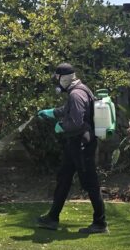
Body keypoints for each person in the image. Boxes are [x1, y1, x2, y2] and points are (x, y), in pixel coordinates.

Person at [35, 63, 107, 234]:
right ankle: (52, 218)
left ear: (64, 78)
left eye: (57, 78)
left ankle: (100, 223)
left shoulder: (76, 94)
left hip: (81, 144)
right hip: (75, 144)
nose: (57, 82)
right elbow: (70, 111)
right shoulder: (80, 89)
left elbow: (75, 122)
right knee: (64, 178)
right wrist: (53, 112)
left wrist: (61, 125)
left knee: (90, 183)